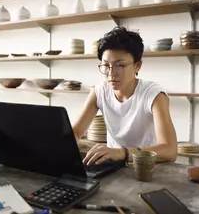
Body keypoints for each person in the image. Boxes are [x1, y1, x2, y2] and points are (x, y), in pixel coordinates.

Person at [73, 27, 177, 166]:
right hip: (112, 166)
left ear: (137, 66)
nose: (111, 73)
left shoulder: (153, 95)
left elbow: (170, 151)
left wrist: (122, 153)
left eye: (119, 65)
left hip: (147, 166)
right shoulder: (99, 92)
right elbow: (76, 132)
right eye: (106, 65)